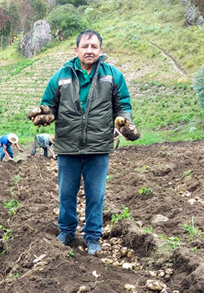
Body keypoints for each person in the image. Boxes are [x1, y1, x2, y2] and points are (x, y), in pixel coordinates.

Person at [39, 30, 133, 255]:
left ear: (100, 50)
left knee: (95, 194)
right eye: (85, 46)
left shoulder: (112, 76)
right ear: (76, 50)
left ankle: (93, 237)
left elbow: (123, 106)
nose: (89, 50)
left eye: (94, 46)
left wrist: (126, 123)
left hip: (98, 146)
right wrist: (45, 114)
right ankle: (67, 231)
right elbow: (48, 104)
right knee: (66, 193)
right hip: (67, 145)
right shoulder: (61, 76)